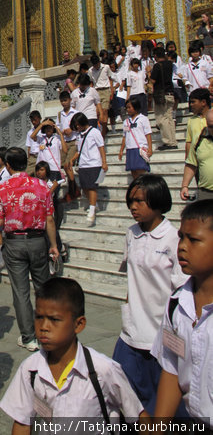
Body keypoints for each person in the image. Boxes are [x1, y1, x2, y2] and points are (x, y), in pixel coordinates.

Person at [0, 278, 146, 431]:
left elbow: (140, 418)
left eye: (54, 319)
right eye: (39, 317)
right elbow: (22, 423)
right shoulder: (30, 370)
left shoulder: (103, 370)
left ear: (78, 324)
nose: (44, 327)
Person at [112, 176, 186, 415]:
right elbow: (131, 280)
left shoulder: (173, 238)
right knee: (128, 400)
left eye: (140, 201)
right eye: (131, 201)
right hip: (131, 332)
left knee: (166, 405)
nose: (133, 207)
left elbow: (181, 291)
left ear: (157, 201)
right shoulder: (131, 234)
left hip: (161, 335)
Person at [151, 200, 213, 426]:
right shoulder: (176, 304)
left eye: (194, 240)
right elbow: (172, 369)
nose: (182, 246)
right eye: (182, 237)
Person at [0, 146, 59, 352]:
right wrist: (54, 245)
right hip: (38, 240)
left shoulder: (1, 189)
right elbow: (49, 218)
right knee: (43, 288)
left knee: (20, 291)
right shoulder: (41, 187)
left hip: (14, 242)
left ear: (8, 165)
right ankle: (48, 331)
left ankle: (29, 337)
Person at [69, 112, 107, 227]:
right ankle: (93, 204)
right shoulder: (79, 135)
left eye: (78, 125)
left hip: (94, 163)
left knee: (92, 187)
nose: (77, 127)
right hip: (83, 164)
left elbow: (101, 147)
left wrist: (104, 162)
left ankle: (92, 210)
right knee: (85, 186)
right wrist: (72, 160)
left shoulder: (95, 132)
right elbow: (79, 151)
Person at [181, 108, 213, 201]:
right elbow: (191, 164)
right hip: (206, 193)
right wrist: (185, 186)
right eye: (211, 126)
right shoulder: (199, 138)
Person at [150, 46, 178, 151]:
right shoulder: (170, 64)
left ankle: (167, 141)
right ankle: (173, 140)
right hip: (170, 93)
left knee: (162, 119)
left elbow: (152, 80)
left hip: (161, 94)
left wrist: (149, 72)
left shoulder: (157, 66)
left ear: (156, 56)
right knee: (169, 118)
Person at [118, 97, 153, 179]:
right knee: (133, 171)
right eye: (127, 108)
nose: (128, 109)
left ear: (136, 107)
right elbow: (125, 136)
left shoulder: (143, 119)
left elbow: (148, 134)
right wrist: (121, 150)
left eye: (130, 107)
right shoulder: (126, 122)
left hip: (140, 148)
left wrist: (150, 149)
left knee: (141, 171)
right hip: (130, 148)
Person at [56, 91, 80, 201]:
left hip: (73, 140)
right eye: (62, 101)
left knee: (68, 165)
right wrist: (62, 132)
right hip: (64, 142)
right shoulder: (60, 115)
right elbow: (57, 128)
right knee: (64, 166)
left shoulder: (75, 113)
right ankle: (74, 189)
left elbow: (80, 126)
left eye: (65, 100)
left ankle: (73, 190)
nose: (63, 103)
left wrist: (72, 129)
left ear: (70, 100)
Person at [89, 54, 114, 138]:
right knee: (98, 112)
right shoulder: (90, 70)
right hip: (96, 90)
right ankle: (104, 127)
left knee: (105, 110)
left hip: (106, 89)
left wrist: (112, 91)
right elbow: (91, 83)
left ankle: (103, 129)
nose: (96, 65)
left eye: (97, 63)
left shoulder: (106, 67)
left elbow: (110, 79)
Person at [184, 88, 210, 158]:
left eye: (193, 102)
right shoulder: (191, 120)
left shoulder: (211, 118)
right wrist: (188, 160)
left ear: (203, 102)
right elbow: (189, 142)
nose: (191, 105)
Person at [25, 111, 42, 176]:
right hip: (33, 157)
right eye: (32, 120)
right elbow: (29, 146)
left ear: (40, 118)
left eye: (35, 120)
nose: (33, 122)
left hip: (41, 155)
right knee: (27, 174)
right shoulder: (30, 132)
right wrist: (29, 158)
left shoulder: (43, 131)